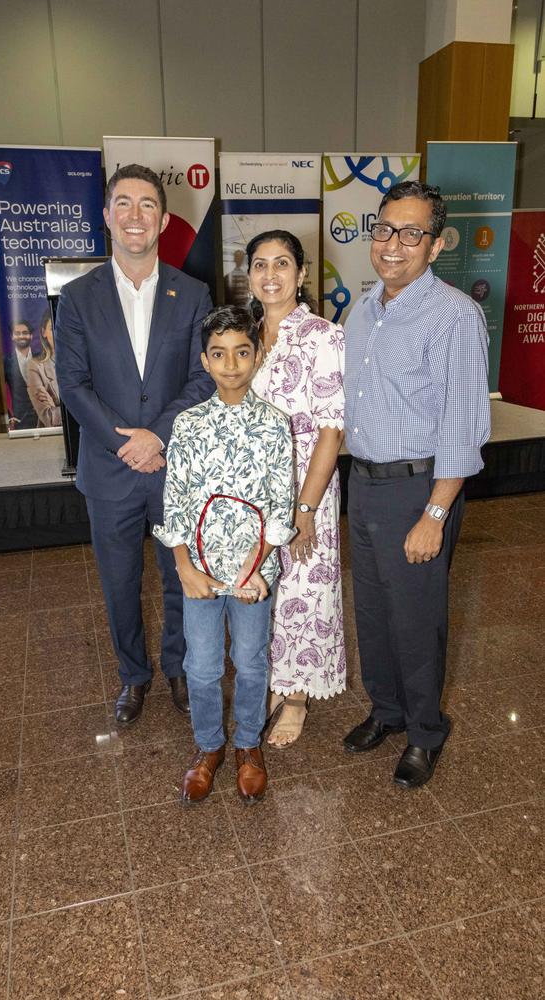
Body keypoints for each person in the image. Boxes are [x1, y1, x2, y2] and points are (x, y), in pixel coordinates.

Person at [342, 181, 490, 788]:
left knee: (416, 618)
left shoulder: (455, 315)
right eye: (384, 229)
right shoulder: (359, 311)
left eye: (411, 233)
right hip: (364, 483)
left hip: (421, 488)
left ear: (434, 245)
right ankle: (387, 710)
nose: (393, 244)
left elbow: (464, 425)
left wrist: (435, 514)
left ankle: (426, 731)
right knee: (373, 612)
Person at [55, 163, 214, 725]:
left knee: (180, 578)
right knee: (120, 583)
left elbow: (204, 377)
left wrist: (158, 435)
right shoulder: (77, 298)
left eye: (147, 204)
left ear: (164, 219)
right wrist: (127, 443)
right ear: (106, 215)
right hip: (110, 468)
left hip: (175, 465)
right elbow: (72, 383)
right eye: (123, 203)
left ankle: (178, 668)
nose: (135, 215)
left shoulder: (193, 293)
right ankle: (133, 676)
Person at [154, 305, 295, 804]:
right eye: (219, 354)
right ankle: (210, 745)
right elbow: (174, 502)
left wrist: (256, 567)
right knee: (203, 665)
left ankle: (249, 744)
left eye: (241, 352)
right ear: (205, 361)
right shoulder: (189, 425)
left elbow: (280, 507)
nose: (231, 363)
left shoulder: (276, 426)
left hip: (253, 576)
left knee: (252, 662)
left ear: (258, 356)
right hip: (200, 575)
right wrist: (184, 568)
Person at [248, 230, 346, 747]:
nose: (271, 275)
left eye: (282, 263)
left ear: (302, 274)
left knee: (304, 588)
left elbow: (332, 430)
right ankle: (273, 678)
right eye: (260, 265)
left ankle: (298, 693)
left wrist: (305, 508)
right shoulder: (246, 334)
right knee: (263, 585)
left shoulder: (323, 336)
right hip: (255, 490)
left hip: (308, 483)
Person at [27, 310, 61, 427]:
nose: (59, 333)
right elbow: (49, 417)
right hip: (54, 438)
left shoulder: (84, 361)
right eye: (53, 328)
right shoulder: (36, 367)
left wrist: (57, 408)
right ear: (43, 332)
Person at [4, 319, 37, 430]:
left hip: (47, 419)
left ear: (31, 336)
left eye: (25, 333)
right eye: (17, 333)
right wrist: (8, 417)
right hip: (21, 422)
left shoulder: (43, 358)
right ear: (12, 337)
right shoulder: (6, 362)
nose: (21, 336)